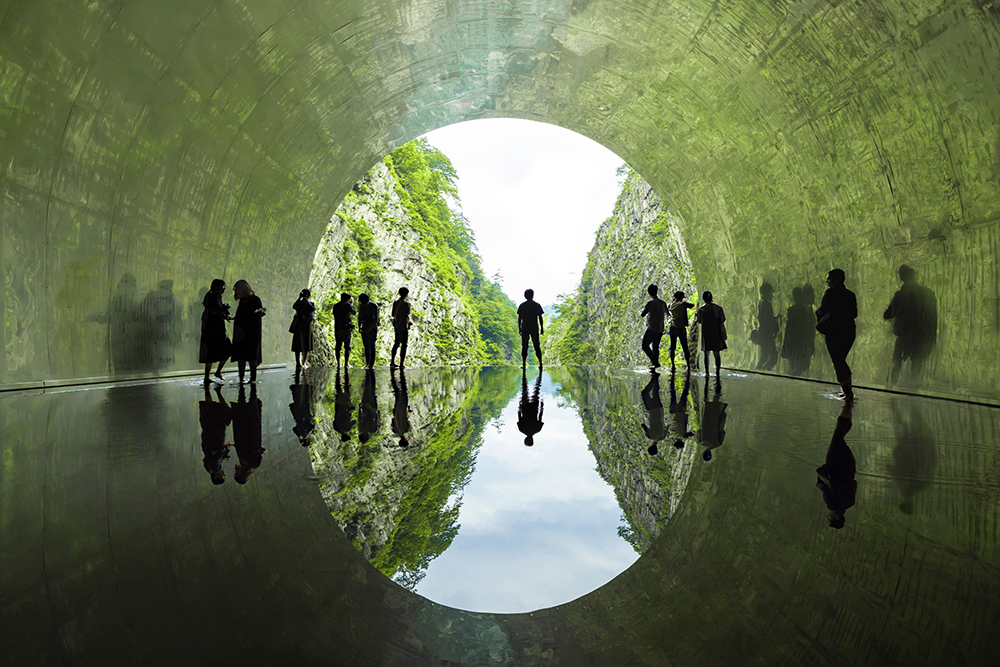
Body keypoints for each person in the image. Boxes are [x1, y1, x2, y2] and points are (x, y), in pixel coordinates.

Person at [883, 265, 937, 385]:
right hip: (920, 335)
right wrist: (931, 335)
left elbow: (887, 315)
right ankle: (913, 386)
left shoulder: (900, 295)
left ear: (901, 278)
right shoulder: (927, 293)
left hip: (904, 334)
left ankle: (892, 385)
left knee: (897, 361)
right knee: (916, 361)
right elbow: (932, 316)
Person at [816, 268, 858, 402]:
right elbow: (854, 314)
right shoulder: (850, 295)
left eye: (829, 279)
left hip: (833, 331)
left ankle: (848, 394)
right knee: (841, 360)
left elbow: (822, 311)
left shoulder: (829, 294)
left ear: (836, 280)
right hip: (849, 331)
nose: (827, 281)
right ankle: (847, 390)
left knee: (838, 362)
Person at [816, 402, 856, 529]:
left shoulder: (850, 503)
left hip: (849, 465)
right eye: (830, 519)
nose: (829, 516)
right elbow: (825, 489)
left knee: (840, 438)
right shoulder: (832, 505)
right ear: (836, 518)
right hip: (834, 465)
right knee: (837, 436)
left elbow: (854, 484)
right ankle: (847, 407)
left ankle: (848, 415)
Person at [230, 280, 266, 384]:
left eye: (238, 290)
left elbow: (260, 312)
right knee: (242, 355)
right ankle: (241, 377)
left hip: (251, 331)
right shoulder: (243, 300)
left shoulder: (254, 299)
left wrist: (259, 313)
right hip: (241, 331)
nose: (238, 293)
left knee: (251, 355)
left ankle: (252, 378)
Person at [199, 278, 232, 385]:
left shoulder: (209, 295)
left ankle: (206, 377)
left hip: (208, 327)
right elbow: (217, 306)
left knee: (209, 351)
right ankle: (218, 371)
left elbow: (212, 308)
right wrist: (224, 310)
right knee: (228, 347)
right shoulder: (217, 294)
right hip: (216, 328)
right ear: (217, 286)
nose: (224, 289)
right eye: (223, 287)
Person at [199, 383, 231, 484]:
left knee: (225, 413)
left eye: (222, 477)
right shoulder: (208, 466)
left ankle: (218, 391)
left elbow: (217, 456)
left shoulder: (216, 468)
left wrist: (225, 450)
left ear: (217, 477)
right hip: (208, 433)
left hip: (216, 434)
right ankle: (207, 388)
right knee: (209, 408)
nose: (223, 474)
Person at [232, 384, 264, 484]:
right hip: (247, 428)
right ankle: (248, 382)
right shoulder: (250, 461)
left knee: (249, 404)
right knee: (246, 403)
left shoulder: (251, 462)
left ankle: (247, 383)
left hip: (249, 428)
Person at [781, 286, 816, 376]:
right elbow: (809, 329)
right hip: (802, 342)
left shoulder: (793, 310)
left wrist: (786, 344)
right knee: (799, 366)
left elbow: (789, 329)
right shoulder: (806, 310)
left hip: (794, 342)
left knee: (792, 365)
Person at [695, 291, 727, 377]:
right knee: (717, 353)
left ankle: (707, 372)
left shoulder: (701, 309)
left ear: (703, 299)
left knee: (706, 353)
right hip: (716, 332)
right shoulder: (718, 308)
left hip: (706, 333)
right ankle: (717, 371)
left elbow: (699, 320)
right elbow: (723, 319)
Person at [638, 284, 667, 371]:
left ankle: (655, 362)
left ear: (649, 293)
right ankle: (654, 365)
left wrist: (641, 311)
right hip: (660, 328)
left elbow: (643, 314)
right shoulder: (662, 303)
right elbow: (667, 313)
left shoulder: (650, 303)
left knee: (644, 345)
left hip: (652, 328)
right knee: (655, 347)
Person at [697, 377, 727, 461]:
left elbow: (722, 431)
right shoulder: (701, 441)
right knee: (706, 400)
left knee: (716, 398)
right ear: (703, 453)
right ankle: (707, 382)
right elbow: (698, 430)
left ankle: (718, 383)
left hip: (716, 420)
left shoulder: (717, 443)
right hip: (706, 418)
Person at [754, 282, 781, 371]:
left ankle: (758, 371)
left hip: (763, 333)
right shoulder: (766, 304)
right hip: (767, 334)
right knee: (774, 356)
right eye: (770, 292)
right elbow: (767, 321)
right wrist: (775, 321)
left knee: (764, 356)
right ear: (766, 292)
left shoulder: (762, 303)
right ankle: (765, 370)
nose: (771, 294)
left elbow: (763, 319)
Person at [667, 290, 695, 370]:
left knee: (672, 347)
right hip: (681, 328)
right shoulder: (683, 304)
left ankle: (672, 365)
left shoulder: (670, 305)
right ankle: (688, 365)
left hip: (672, 327)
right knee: (685, 347)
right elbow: (692, 305)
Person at [517, 289, 544, 369]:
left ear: (525, 296)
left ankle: (524, 364)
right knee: (536, 346)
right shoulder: (536, 305)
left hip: (525, 327)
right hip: (534, 328)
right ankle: (540, 364)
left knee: (524, 346)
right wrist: (542, 328)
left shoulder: (522, 306)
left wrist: (520, 328)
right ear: (533, 295)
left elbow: (519, 318)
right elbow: (540, 318)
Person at [640, 372, 666, 455]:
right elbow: (643, 425)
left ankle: (656, 378)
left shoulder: (662, 437)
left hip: (660, 410)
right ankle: (654, 378)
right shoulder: (650, 436)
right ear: (649, 446)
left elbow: (667, 427)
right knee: (644, 394)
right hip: (652, 410)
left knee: (655, 393)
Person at [517, 370, 544, 446]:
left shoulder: (537, 429)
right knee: (524, 389)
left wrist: (542, 407)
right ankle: (524, 375)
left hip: (534, 408)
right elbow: (519, 416)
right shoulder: (521, 429)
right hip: (525, 407)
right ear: (525, 440)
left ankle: (539, 375)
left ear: (532, 440)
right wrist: (519, 407)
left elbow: (540, 415)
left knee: (537, 389)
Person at [288, 368, 315, 447]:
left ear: (307, 440)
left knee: (305, 399)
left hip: (305, 412)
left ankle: (303, 380)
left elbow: (312, 425)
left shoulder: (307, 432)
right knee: (297, 399)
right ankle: (297, 382)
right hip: (297, 413)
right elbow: (294, 429)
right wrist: (299, 437)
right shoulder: (299, 433)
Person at [290, 288, 315, 369]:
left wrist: (306, 301)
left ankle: (303, 362)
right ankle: (298, 362)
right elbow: (294, 306)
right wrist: (299, 298)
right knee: (298, 343)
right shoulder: (299, 303)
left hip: (307, 324)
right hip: (300, 324)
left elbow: (312, 309)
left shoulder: (310, 303)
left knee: (306, 343)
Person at [390, 286, 413, 368]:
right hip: (403, 326)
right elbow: (407, 315)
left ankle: (392, 361)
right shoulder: (406, 304)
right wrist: (409, 322)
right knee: (404, 344)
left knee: (396, 343)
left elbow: (393, 314)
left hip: (396, 325)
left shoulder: (395, 303)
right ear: (406, 294)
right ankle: (401, 363)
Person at [331, 293, 356, 367]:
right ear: (348, 299)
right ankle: (346, 363)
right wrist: (351, 304)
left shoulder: (336, 306)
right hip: (346, 327)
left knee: (338, 346)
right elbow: (353, 313)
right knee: (347, 346)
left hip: (338, 327)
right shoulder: (347, 305)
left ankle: (338, 363)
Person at [357, 293, 380, 368]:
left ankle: (371, 364)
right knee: (366, 345)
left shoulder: (373, 306)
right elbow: (359, 316)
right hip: (365, 327)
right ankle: (367, 363)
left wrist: (369, 329)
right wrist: (359, 326)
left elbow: (375, 320)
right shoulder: (362, 306)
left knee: (372, 345)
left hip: (372, 328)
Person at [333, 367, 355, 442]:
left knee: (347, 389)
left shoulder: (348, 428)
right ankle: (337, 375)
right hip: (338, 407)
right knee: (338, 389)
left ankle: (346, 373)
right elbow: (334, 420)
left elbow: (354, 421)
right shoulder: (336, 428)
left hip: (346, 406)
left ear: (347, 435)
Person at [391, 366, 411, 447]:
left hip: (403, 408)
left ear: (406, 440)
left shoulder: (407, 429)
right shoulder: (394, 431)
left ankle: (401, 373)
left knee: (403, 390)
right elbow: (393, 419)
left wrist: (408, 411)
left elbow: (407, 418)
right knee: (396, 392)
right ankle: (392, 376)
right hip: (396, 410)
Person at [358, 369, 380, 443]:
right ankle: (370, 374)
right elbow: (375, 415)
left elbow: (359, 417)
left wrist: (360, 408)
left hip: (366, 407)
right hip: (370, 407)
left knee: (367, 390)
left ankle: (369, 374)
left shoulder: (363, 428)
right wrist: (367, 407)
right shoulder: (372, 429)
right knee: (371, 391)